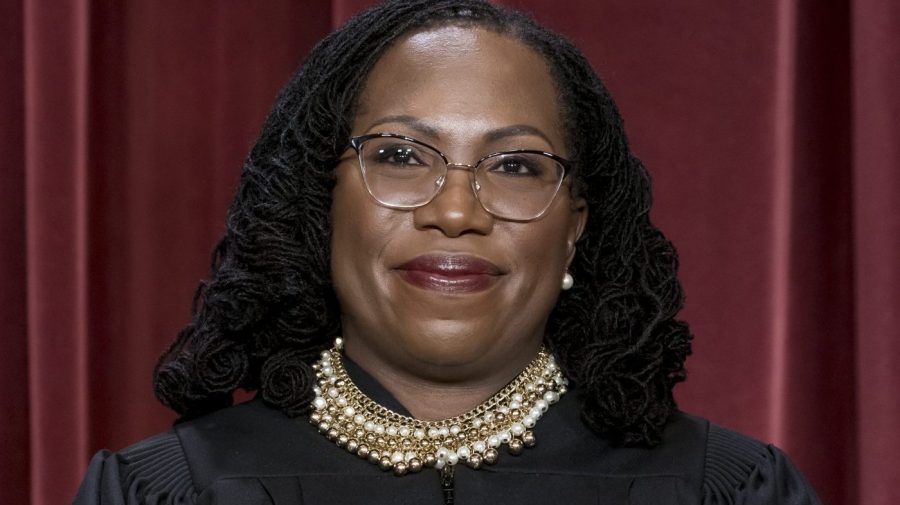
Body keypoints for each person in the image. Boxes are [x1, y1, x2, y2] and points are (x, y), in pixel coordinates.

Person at [74, 0, 822, 503]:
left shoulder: (722, 489)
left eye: (516, 165)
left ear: (575, 225)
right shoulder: (168, 490)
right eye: (401, 155)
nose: (456, 211)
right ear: (320, 200)